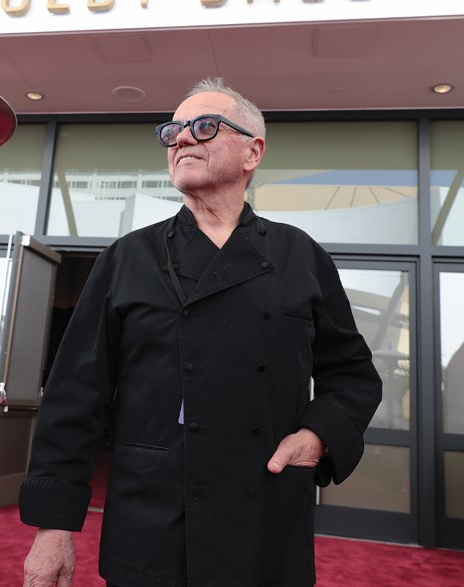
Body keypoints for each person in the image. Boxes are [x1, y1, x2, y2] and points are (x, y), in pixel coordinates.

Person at [19, 78, 383, 586]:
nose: (182, 139)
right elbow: (75, 393)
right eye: (172, 130)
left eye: (204, 126)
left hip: (265, 516)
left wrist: (317, 437)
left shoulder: (300, 256)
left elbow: (352, 374)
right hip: (153, 515)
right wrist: (53, 527)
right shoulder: (128, 257)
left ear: (252, 152)